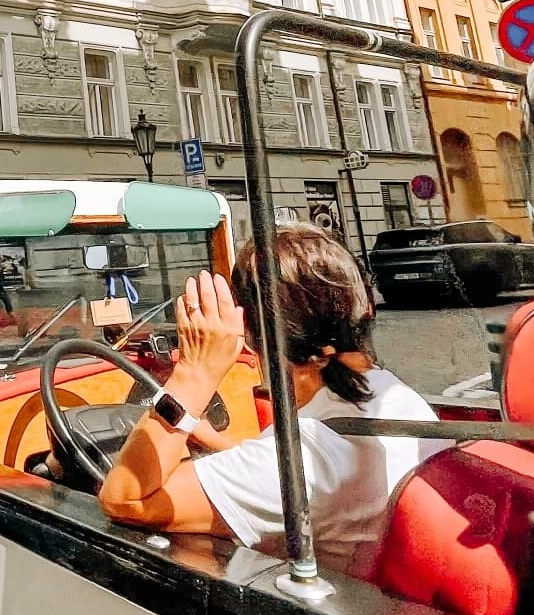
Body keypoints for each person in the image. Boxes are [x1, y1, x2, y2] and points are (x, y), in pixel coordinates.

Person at [98, 226, 436, 574]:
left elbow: (125, 499)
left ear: (250, 334)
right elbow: (296, 467)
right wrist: (212, 439)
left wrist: (194, 374)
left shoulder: (304, 458)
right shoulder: (391, 395)